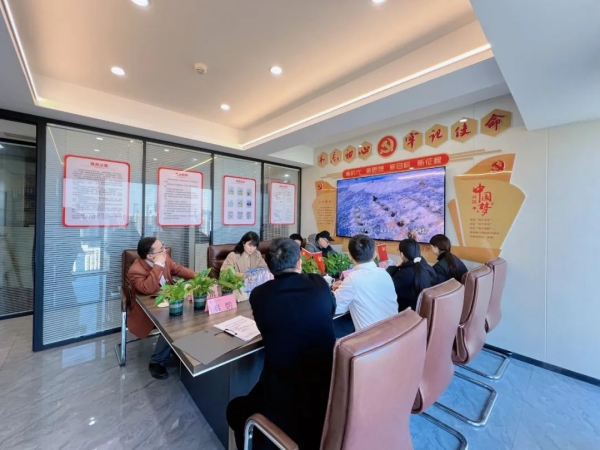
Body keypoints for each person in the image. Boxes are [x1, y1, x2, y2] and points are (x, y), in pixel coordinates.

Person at [226, 238, 336, 450]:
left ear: (269, 267)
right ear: (299, 263)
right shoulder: (319, 283)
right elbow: (330, 310)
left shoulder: (260, 294)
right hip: (328, 387)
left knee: (234, 410)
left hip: (284, 396)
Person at [127, 236, 196, 380]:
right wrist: (158, 265)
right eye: (161, 249)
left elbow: (178, 269)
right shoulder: (135, 270)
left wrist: (199, 276)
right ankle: (156, 361)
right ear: (150, 256)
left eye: (163, 246)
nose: (165, 251)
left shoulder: (165, 258)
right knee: (173, 322)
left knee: (193, 311)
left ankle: (179, 348)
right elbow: (148, 289)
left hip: (170, 300)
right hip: (148, 308)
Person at [332, 234, 397, 331]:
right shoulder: (384, 273)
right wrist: (345, 286)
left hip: (372, 338)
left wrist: (334, 291)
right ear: (375, 254)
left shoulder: (353, 279)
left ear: (350, 256)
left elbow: (334, 306)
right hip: (395, 332)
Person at [387, 239, 436, 313]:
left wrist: (395, 267)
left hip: (406, 312)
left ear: (402, 254)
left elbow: (388, 286)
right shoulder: (428, 268)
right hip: (424, 311)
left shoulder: (403, 274)